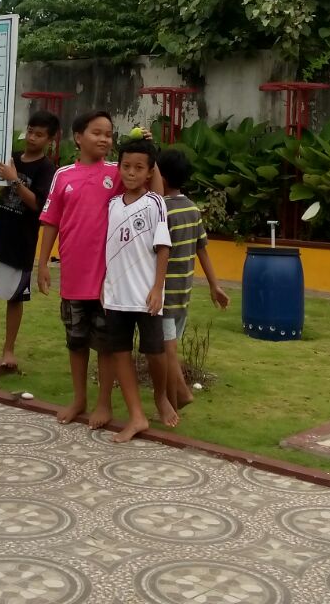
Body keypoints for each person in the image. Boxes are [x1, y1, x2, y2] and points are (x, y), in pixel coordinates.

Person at [36, 110, 124, 427]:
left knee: (106, 345)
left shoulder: (117, 174)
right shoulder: (63, 175)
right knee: (76, 342)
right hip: (73, 277)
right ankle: (79, 399)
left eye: (108, 134)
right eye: (97, 132)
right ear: (78, 136)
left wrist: (150, 153)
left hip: (106, 281)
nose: (104, 139)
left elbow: (150, 186)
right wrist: (42, 263)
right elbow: (50, 222)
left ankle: (104, 404)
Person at [101, 136, 172, 442]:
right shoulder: (112, 204)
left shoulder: (155, 202)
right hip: (116, 295)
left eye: (138, 168)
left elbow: (163, 247)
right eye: (126, 166)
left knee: (155, 352)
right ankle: (136, 415)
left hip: (146, 296)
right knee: (120, 353)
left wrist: (158, 287)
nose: (131, 173)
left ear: (149, 172)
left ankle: (161, 396)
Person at [155, 149, 229, 412]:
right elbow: (203, 249)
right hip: (184, 292)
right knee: (168, 346)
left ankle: (181, 395)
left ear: (159, 177)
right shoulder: (192, 208)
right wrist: (214, 285)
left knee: (166, 349)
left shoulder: (161, 209)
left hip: (163, 293)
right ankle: (171, 402)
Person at [0, 110, 59, 369]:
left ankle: (8, 349)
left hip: (21, 241)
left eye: (39, 134)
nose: (32, 137)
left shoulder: (47, 168)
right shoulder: (13, 158)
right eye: (30, 131)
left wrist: (13, 179)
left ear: (50, 139)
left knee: (15, 298)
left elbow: (38, 205)